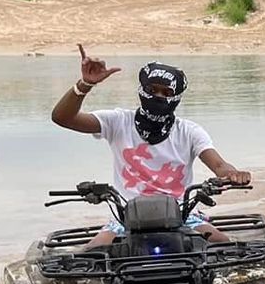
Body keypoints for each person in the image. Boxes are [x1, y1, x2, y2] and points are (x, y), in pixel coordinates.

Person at [51, 48, 251, 246]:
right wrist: (85, 84)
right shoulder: (118, 121)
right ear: (142, 90)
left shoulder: (189, 131)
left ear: (177, 97)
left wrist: (233, 174)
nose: (158, 96)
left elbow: (218, 165)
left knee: (224, 245)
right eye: (152, 90)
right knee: (89, 254)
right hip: (126, 218)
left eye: (166, 93)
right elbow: (63, 118)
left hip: (181, 215)